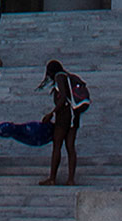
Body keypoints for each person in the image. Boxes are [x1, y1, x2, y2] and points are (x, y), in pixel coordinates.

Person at [37, 58, 88, 187]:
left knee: (57, 145)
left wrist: (51, 113)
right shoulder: (68, 76)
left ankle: (52, 178)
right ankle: (70, 179)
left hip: (64, 115)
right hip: (74, 115)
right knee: (70, 147)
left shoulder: (59, 77)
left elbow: (63, 96)